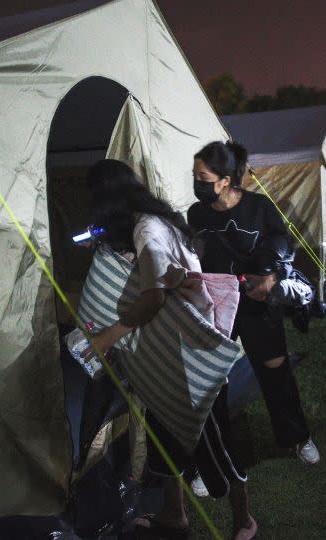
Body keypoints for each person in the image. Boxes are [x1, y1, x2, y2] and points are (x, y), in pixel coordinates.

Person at [80, 159, 257, 540]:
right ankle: (174, 515)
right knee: (164, 436)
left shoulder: (147, 228)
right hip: (170, 346)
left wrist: (111, 334)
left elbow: (155, 297)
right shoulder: (151, 222)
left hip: (190, 350)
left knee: (211, 443)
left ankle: (245, 521)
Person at [188, 141, 319, 464]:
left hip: (257, 303)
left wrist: (272, 278)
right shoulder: (196, 214)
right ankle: (217, 455)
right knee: (213, 380)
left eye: (203, 177)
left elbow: (284, 245)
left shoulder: (258, 207)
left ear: (225, 181)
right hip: (216, 307)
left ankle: (297, 437)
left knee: (275, 372)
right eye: (195, 176)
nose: (197, 183)